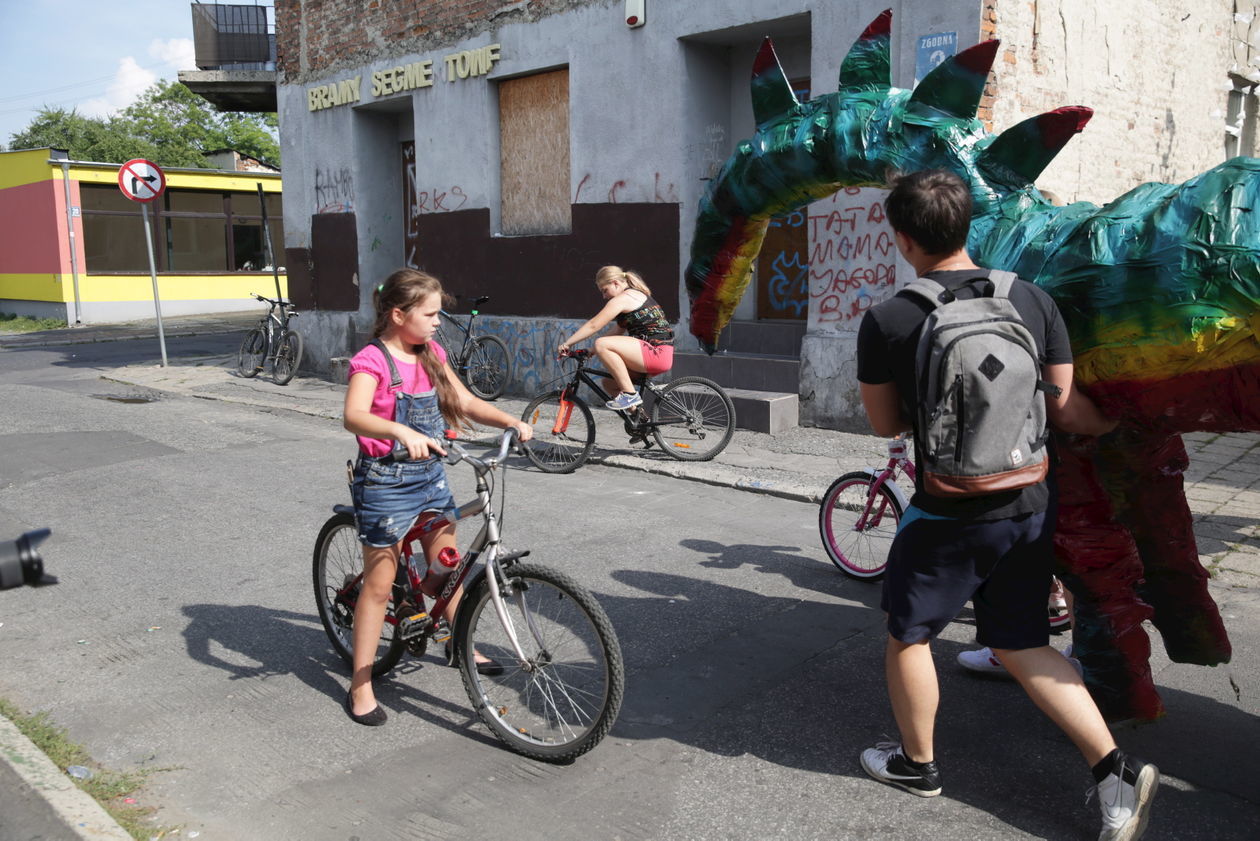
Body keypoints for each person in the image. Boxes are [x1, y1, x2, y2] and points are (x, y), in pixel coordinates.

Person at [855, 170, 1158, 840]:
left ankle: (918, 763)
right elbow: (1065, 404)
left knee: (909, 634)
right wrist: (1113, 426)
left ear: (904, 239)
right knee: (1020, 640)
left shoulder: (889, 318)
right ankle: (1113, 770)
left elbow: (883, 426)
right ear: (967, 228)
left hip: (946, 511)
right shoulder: (1032, 298)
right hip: (1027, 499)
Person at [342, 268, 533, 726]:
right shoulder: (373, 360)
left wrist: (510, 420)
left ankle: (454, 637)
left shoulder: (430, 355)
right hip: (386, 482)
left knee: (445, 563)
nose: (436, 322)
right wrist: (398, 429)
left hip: (429, 475)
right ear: (397, 314)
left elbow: (464, 402)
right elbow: (353, 415)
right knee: (379, 586)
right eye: (429, 314)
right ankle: (361, 682)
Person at [557, 265, 674, 410]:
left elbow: (594, 325)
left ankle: (630, 395)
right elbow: (617, 330)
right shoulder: (634, 296)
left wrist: (568, 343)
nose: (604, 296)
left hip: (656, 354)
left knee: (601, 343)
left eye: (604, 290)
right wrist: (591, 351)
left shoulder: (625, 298)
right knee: (610, 384)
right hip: (654, 354)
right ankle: (639, 421)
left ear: (615, 283)